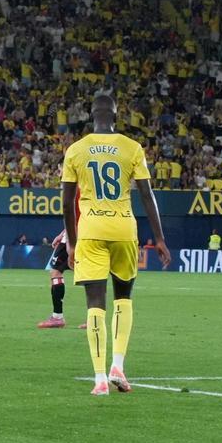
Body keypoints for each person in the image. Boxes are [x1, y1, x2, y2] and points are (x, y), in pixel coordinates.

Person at [62, 94, 171, 396]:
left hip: (91, 230)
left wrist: (71, 243)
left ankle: (99, 378)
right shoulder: (131, 147)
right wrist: (159, 238)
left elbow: (67, 202)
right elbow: (148, 196)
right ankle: (118, 365)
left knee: (95, 304)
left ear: (91, 115)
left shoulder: (76, 150)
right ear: (115, 115)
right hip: (124, 228)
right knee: (124, 298)